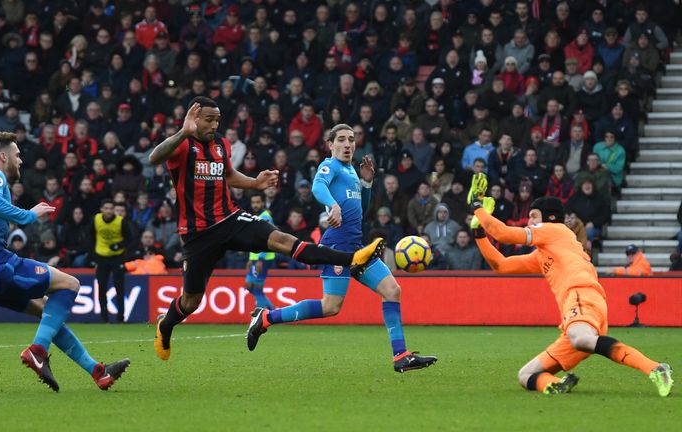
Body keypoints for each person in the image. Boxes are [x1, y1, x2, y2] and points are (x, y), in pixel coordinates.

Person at [149, 98, 384, 361]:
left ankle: (353, 258)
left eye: (217, 119)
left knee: (283, 240)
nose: (214, 124)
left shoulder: (220, 145)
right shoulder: (184, 144)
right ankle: (166, 325)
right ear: (195, 117)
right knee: (190, 302)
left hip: (230, 219)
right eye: (209, 119)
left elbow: (227, 175)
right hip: (198, 234)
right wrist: (183, 131)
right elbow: (154, 157)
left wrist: (255, 183)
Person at [0, 132, 129, 392]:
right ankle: (38, 351)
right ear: (3, 156)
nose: (20, 161)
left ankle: (98, 372)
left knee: (47, 313)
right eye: (17, 155)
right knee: (70, 285)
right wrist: (29, 215)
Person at [246, 124, 436, 372]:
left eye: (351, 140)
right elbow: (317, 186)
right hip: (336, 245)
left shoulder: (351, 172)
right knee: (330, 307)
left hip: (357, 247)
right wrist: (332, 205)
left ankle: (401, 356)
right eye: (342, 140)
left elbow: (361, 209)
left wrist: (366, 183)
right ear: (331, 144)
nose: (348, 144)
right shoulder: (330, 166)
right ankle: (266, 318)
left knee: (392, 290)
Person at [467, 173, 673, 397]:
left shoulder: (556, 230)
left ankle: (655, 368)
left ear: (549, 217)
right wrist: (479, 233)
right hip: (579, 310)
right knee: (527, 375)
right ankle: (555, 384)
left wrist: (478, 207)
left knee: (581, 339)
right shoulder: (546, 252)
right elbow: (501, 265)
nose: (529, 222)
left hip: (580, 295)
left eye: (533, 216)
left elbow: (504, 234)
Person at [91, 198, 135, 323]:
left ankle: (120, 318)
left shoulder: (120, 221)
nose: (109, 211)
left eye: (111, 208)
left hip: (117, 257)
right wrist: (93, 255)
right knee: (101, 287)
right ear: (101, 210)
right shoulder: (96, 219)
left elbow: (130, 239)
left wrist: (119, 245)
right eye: (106, 208)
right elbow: (90, 236)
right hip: (101, 256)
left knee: (119, 287)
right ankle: (104, 319)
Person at [244, 193, 275, 310]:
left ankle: (262, 312)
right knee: (249, 286)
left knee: (256, 288)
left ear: (262, 203)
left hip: (263, 258)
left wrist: (260, 259)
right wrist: (250, 259)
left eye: (258, 202)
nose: (255, 205)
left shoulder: (265, 217)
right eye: (253, 203)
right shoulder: (254, 217)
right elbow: (254, 239)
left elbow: (266, 239)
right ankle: (271, 309)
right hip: (255, 258)